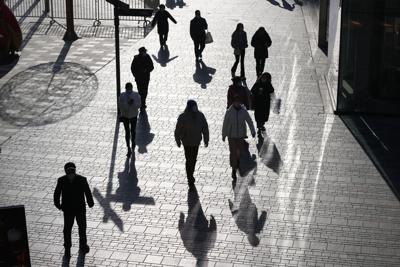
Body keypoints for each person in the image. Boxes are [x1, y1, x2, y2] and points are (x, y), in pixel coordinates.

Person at [53, 162, 94, 257]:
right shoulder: (61, 180)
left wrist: (90, 202)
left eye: (72, 172)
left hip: (80, 209)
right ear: (66, 173)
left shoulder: (82, 179)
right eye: (69, 173)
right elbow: (57, 194)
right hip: (68, 210)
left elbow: (87, 192)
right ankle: (67, 249)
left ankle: (83, 245)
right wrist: (59, 205)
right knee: (67, 229)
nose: (71, 175)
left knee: (82, 227)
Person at [174, 100, 209, 189]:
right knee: (188, 159)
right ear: (189, 107)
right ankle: (190, 178)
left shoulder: (200, 116)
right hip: (187, 142)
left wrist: (206, 139)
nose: (195, 108)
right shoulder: (183, 116)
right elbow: (177, 130)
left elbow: (205, 128)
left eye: (195, 106)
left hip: (196, 142)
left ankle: (191, 174)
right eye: (193, 106)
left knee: (193, 160)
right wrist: (178, 140)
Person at [222, 96, 256, 181]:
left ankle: (237, 163)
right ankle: (234, 168)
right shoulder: (229, 112)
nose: (237, 103)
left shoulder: (244, 111)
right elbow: (225, 123)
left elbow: (249, 121)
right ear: (233, 103)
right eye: (235, 102)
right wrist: (224, 134)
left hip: (241, 135)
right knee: (233, 152)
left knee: (239, 151)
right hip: (231, 135)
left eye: (238, 102)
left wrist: (252, 131)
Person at [119, 82, 141, 157]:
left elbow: (139, 105)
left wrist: (133, 103)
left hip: (133, 116)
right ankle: (128, 147)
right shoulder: (122, 96)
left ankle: (133, 143)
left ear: (132, 88)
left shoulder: (136, 95)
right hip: (125, 116)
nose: (129, 90)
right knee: (127, 132)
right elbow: (121, 106)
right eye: (127, 89)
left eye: (130, 89)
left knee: (133, 131)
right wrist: (127, 104)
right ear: (125, 88)